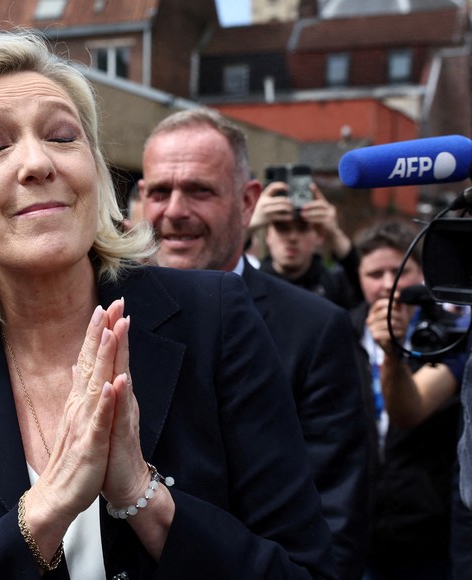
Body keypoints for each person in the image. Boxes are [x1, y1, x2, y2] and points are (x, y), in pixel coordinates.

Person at [0, 31, 337, 578]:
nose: (37, 163)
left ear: (94, 173)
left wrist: (142, 496)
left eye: (63, 136)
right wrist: (44, 509)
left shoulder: (217, 319)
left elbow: (307, 570)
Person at [137, 106, 369, 579]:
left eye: (200, 190)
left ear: (248, 202)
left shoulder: (314, 329)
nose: (175, 211)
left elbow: (333, 525)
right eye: (160, 191)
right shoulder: (103, 316)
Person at [351, 218, 468, 578]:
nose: (388, 285)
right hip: (354, 528)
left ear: (422, 273)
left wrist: (392, 353)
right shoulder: (335, 329)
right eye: (375, 274)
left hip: (426, 534)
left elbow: (409, 410)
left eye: (399, 271)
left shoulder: (450, 334)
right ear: (358, 276)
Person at [252, 177, 363, 309]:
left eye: (302, 228)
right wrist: (251, 225)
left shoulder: (333, 284)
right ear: (267, 236)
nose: (292, 237)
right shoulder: (253, 283)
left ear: (319, 235)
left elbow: (365, 289)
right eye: (282, 228)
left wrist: (334, 234)